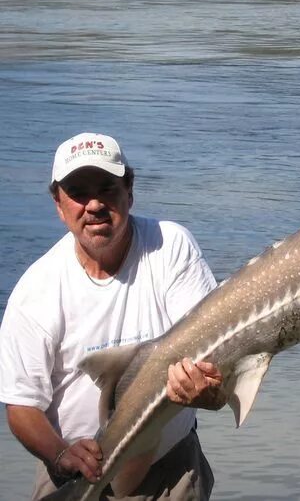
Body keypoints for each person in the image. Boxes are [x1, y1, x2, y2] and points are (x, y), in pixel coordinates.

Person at [0, 132, 227, 500]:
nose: (94, 205)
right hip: (72, 475)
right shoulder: (36, 291)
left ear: (130, 191)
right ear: (58, 204)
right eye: (77, 192)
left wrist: (209, 385)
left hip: (170, 473)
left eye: (107, 188)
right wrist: (60, 455)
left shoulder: (170, 248)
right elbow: (22, 405)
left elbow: (213, 349)